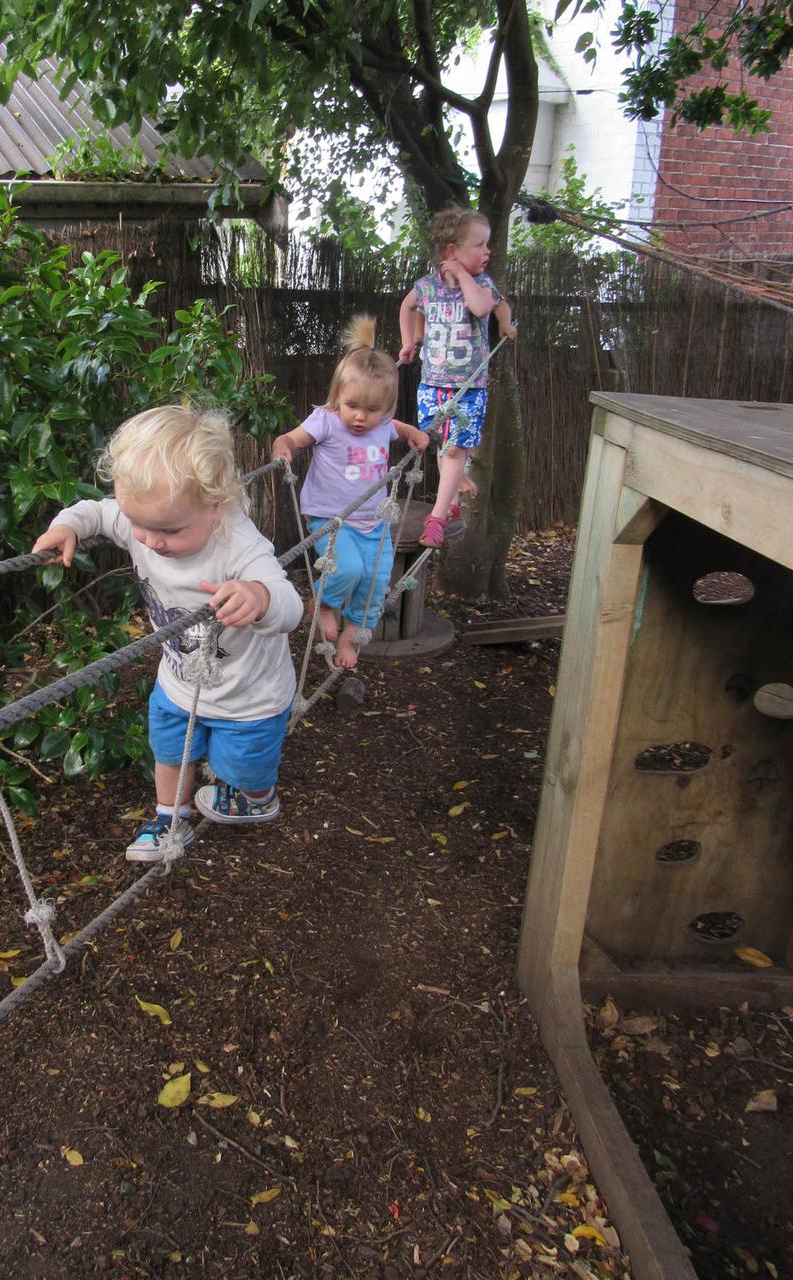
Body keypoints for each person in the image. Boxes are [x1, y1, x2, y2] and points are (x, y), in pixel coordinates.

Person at [32, 406, 303, 863]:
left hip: (248, 696)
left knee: (246, 768)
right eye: (140, 525)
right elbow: (98, 512)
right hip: (178, 680)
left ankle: (258, 798)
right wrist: (67, 525)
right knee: (170, 751)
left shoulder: (240, 545)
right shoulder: (145, 518)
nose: (150, 541)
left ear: (215, 506)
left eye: (169, 531)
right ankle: (169, 819)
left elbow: (290, 604)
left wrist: (259, 597)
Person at [271, 315, 429, 670]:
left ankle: (351, 634)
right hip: (332, 520)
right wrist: (283, 446)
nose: (361, 417)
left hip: (373, 523)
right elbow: (293, 438)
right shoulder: (325, 420)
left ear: (385, 408)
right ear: (337, 397)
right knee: (347, 570)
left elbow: (397, 428)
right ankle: (324, 604)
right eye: (353, 406)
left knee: (374, 581)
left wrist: (413, 434)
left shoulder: (382, 425)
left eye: (372, 410)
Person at [398, 207, 517, 547]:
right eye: (479, 245)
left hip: (468, 388)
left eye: (487, 245)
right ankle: (450, 501)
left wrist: (505, 323)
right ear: (452, 251)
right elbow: (407, 307)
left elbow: (488, 307)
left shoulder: (480, 285)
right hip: (431, 384)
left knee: (452, 451)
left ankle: (436, 517)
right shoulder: (426, 288)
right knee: (443, 445)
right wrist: (411, 341)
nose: (487, 252)